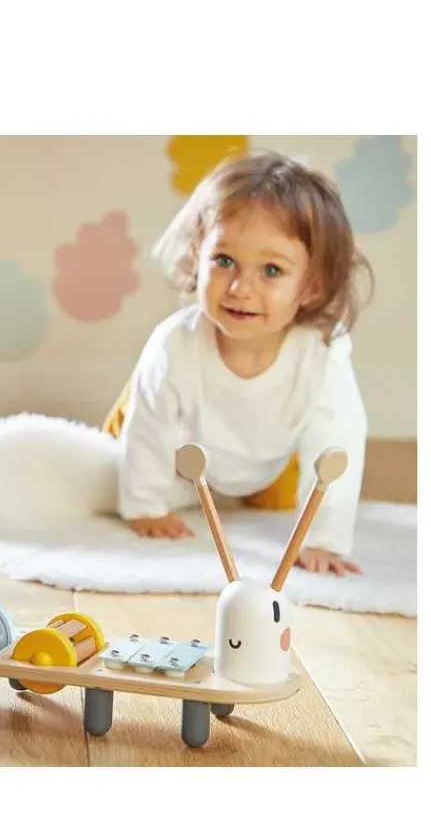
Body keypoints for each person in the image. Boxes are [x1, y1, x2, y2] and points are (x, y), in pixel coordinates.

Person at [102, 151, 373, 575]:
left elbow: (337, 444)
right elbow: (149, 432)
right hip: (174, 443)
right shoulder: (176, 346)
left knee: (278, 497)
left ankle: (237, 485)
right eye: (224, 261)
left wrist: (323, 540)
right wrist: (144, 507)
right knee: (109, 469)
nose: (240, 289)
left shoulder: (321, 355)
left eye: (271, 270)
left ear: (312, 286)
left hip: (264, 456)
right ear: (199, 254)